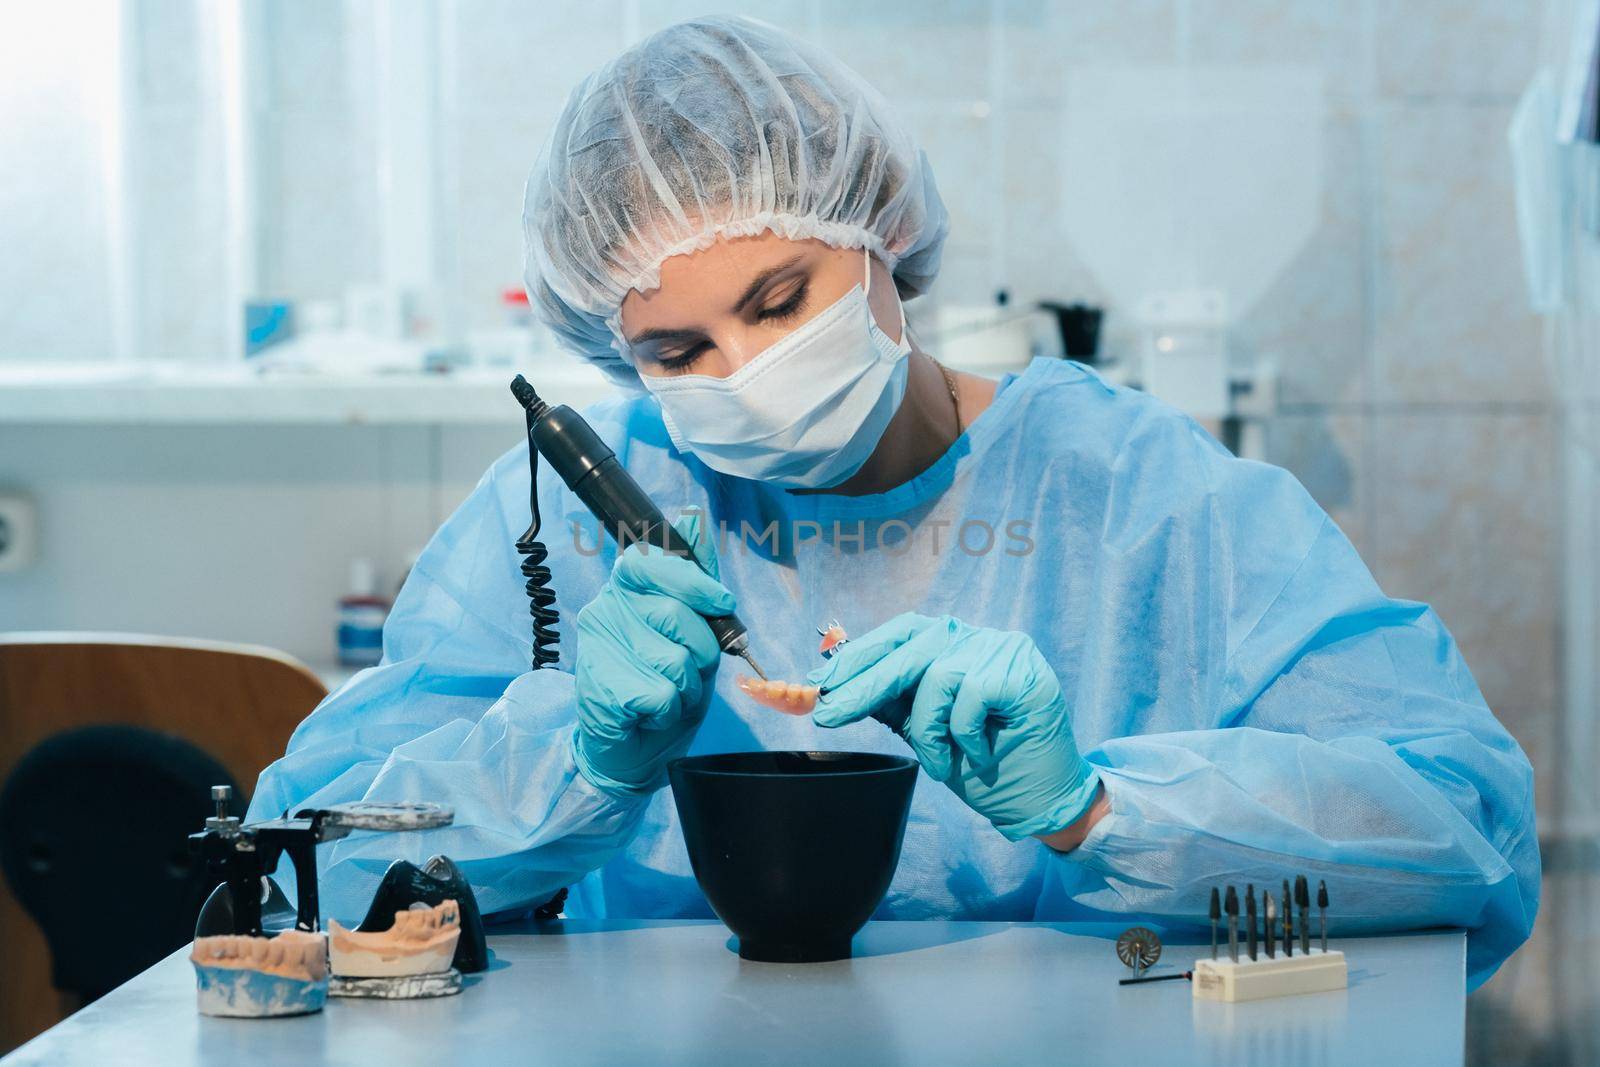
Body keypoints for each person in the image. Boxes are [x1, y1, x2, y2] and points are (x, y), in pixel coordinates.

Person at [248, 15, 1538, 987]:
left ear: (884, 242)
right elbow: (295, 868)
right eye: (679, 352)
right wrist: (570, 763)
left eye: (780, 300)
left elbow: (1461, 827)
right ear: (614, 353)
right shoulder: (594, 506)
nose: (749, 377)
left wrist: (1099, 807)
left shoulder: (1134, 495)